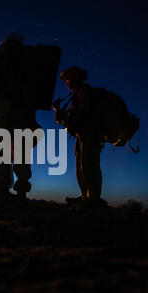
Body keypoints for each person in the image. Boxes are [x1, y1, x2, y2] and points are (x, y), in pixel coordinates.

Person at [0, 31, 39, 202]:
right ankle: (21, 191)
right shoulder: (30, 56)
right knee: (20, 150)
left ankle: (1, 190)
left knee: (1, 147)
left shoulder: (3, 52)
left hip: (6, 106)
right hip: (26, 110)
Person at [56, 66, 108, 209]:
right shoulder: (77, 94)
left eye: (67, 79)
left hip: (90, 134)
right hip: (83, 136)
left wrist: (65, 117)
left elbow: (82, 114)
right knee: (82, 166)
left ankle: (94, 199)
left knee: (88, 165)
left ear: (74, 78)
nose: (66, 82)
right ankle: (87, 197)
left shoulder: (83, 92)